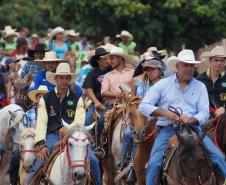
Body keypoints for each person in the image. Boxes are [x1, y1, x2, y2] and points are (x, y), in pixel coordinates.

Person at [138, 49, 226, 185]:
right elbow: (143, 106)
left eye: (191, 66)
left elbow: (204, 112)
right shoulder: (163, 85)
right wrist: (165, 113)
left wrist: (192, 119)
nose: (189, 69)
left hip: (194, 130)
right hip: (168, 129)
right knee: (154, 164)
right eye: (185, 65)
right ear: (178, 65)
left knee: (219, 158)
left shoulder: (200, 86)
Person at [25, 63, 102, 185]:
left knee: (93, 160)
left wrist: (69, 131)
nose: (64, 81)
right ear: (56, 79)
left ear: (70, 79)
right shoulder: (46, 99)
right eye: (61, 78)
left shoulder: (77, 99)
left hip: (74, 136)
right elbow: (41, 123)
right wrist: (41, 144)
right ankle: (29, 182)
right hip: (51, 136)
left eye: (67, 78)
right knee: (40, 161)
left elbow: (79, 121)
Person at [120, 51, 163, 180]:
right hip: (139, 114)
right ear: (142, 65)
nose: (148, 66)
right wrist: (130, 100)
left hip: (156, 115)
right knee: (128, 134)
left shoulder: (163, 82)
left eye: (152, 64)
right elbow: (132, 100)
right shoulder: (136, 80)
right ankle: (126, 165)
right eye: (145, 63)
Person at [97, 47, 134, 156]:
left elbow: (135, 88)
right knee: (101, 121)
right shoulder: (108, 75)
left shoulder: (132, 73)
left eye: (112, 58)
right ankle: (102, 147)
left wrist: (129, 96)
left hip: (129, 105)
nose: (110, 61)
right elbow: (103, 92)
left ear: (120, 58)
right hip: (113, 106)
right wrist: (118, 94)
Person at [8, 85, 48, 185]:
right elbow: (24, 129)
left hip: (45, 141)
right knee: (16, 156)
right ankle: (13, 181)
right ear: (37, 99)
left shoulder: (50, 113)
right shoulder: (29, 113)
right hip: (29, 141)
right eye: (40, 97)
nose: (42, 99)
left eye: (44, 97)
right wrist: (33, 132)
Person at [82, 47, 111, 128]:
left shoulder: (112, 70)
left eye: (107, 57)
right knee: (88, 120)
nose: (106, 60)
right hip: (97, 102)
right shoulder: (92, 73)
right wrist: (96, 102)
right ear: (98, 60)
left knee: (103, 120)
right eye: (103, 58)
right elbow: (89, 89)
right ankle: (89, 140)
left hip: (111, 102)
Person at [197, 46, 226, 118]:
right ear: (210, 61)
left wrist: (224, 108)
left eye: (222, 61)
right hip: (205, 116)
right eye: (216, 60)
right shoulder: (200, 79)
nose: (219, 63)